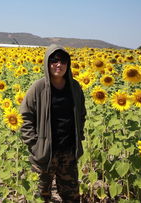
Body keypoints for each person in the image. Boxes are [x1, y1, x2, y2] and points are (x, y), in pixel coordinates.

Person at [20, 44, 87, 203]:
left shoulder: (75, 87)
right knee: (41, 196)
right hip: (44, 154)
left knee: (71, 196)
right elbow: (25, 115)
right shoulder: (38, 87)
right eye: (54, 60)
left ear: (68, 64)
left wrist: (79, 136)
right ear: (47, 63)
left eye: (63, 61)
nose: (59, 64)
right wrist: (34, 144)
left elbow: (81, 113)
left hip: (68, 152)